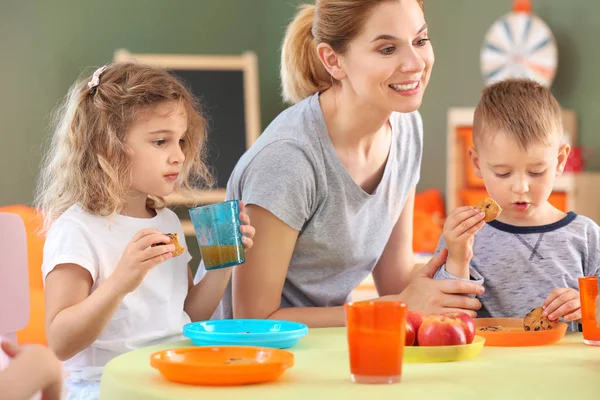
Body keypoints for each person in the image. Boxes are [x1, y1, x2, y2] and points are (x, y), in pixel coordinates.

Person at [196, 0, 484, 327]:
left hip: (330, 350)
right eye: (388, 49)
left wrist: (473, 270)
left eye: (420, 41)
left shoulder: (406, 129)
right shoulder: (289, 159)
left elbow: (397, 278)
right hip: (249, 360)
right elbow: (255, 321)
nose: (415, 63)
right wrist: (397, 307)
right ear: (333, 61)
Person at [35, 62, 255, 399]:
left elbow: (189, 314)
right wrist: (120, 282)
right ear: (107, 146)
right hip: (105, 387)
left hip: (168, 377)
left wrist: (224, 260)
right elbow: (61, 341)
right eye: (160, 142)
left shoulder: (165, 221)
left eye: (181, 141)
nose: (179, 156)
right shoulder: (76, 229)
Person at [435, 78, 600, 330]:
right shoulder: (462, 237)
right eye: (503, 173)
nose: (521, 187)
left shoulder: (585, 236)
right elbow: (446, 320)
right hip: (490, 366)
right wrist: (458, 258)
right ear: (477, 163)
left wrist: (587, 307)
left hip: (563, 367)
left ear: (559, 161)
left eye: (536, 172)